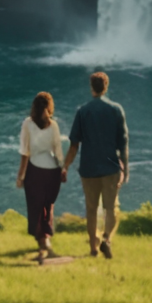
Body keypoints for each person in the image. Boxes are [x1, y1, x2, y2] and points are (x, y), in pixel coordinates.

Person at [62, 70, 129, 258]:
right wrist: (125, 168)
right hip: (110, 168)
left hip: (89, 168)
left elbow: (74, 144)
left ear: (92, 87)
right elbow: (123, 143)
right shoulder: (116, 110)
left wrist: (66, 166)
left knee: (91, 210)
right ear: (106, 87)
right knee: (111, 208)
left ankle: (93, 248)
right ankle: (107, 239)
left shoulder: (83, 111)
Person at [15, 91, 65, 264]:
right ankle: (47, 241)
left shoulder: (27, 124)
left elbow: (24, 152)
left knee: (35, 208)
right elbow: (58, 151)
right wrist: (62, 169)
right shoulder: (54, 125)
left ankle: (42, 244)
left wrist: (20, 175)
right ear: (50, 107)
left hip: (34, 170)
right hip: (52, 171)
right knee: (47, 206)